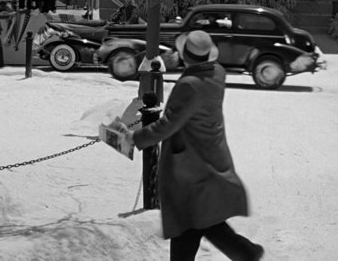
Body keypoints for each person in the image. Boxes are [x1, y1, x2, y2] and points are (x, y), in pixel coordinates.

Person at [112, 31, 264, 261]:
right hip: (210, 155)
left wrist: (134, 138)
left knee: (189, 220)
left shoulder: (190, 86)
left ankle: (246, 252)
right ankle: (246, 252)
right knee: (203, 219)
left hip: (190, 164)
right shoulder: (217, 73)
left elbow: (167, 125)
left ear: (186, 56)